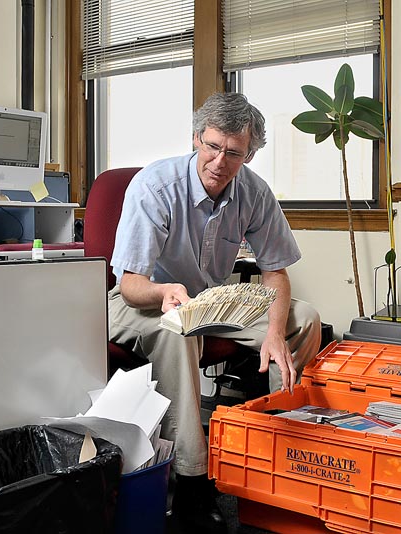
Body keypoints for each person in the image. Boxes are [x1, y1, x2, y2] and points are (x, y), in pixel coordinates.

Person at [108, 92, 322, 532]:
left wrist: (276, 332)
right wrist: (166, 290)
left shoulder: (254, 192)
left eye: (234, 152)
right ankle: (191, 481)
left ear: (249, 154)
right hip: (142, 302)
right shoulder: (155, 186)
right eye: (211, 146)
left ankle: (279, 443)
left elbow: (275, 274)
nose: (219, 161)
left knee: (305, 317)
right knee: (176, 332)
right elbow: (130, 285)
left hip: (209, 299)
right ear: (196, 139)